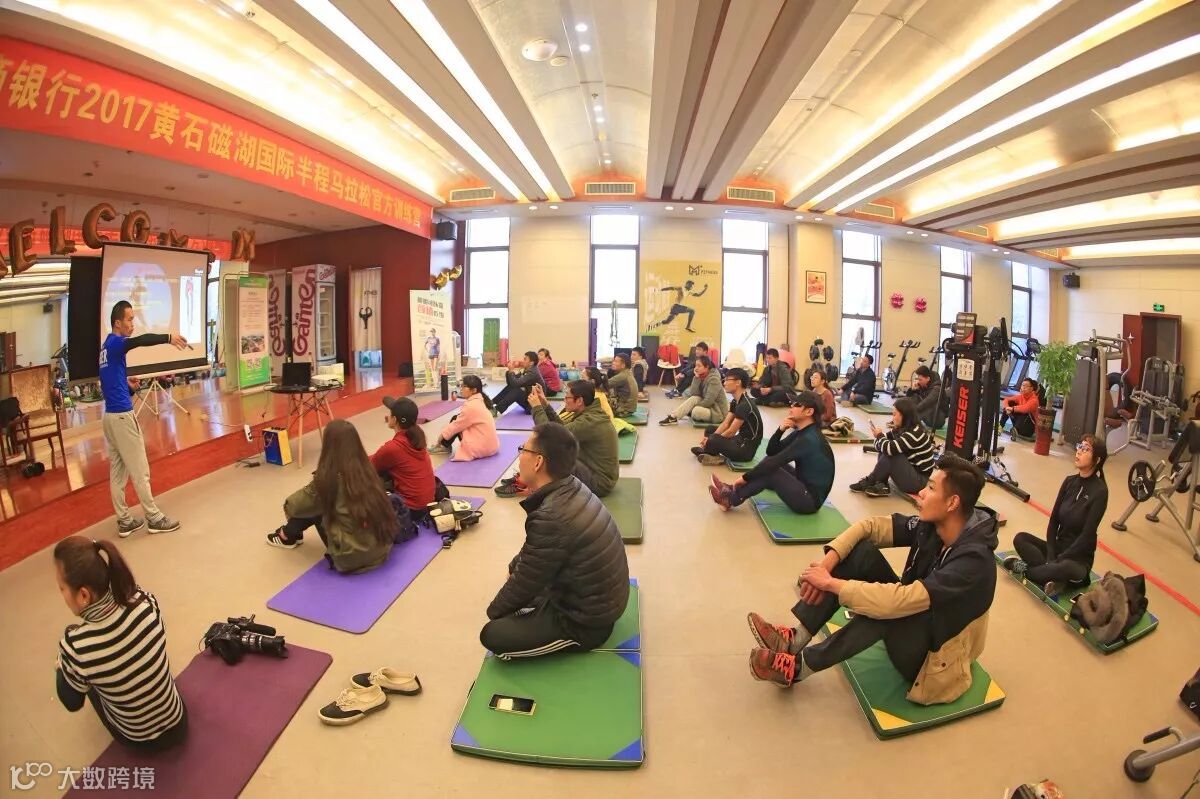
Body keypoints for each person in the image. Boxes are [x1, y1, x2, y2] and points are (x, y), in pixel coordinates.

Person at [745, 454, 998, 703]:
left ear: (952, 503)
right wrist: (827, 563)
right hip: (920, 618)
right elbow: (870, 527)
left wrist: (830, 584)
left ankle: (797, 668)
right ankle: (795, 639)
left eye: (931, 488)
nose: (921, 492)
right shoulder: (936, 525)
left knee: (887, 610)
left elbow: (899, 602)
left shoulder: (973, 562)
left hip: (936, 663)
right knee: (861, 552)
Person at [480, 423, 630, 659]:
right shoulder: (571, 485)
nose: (519, 457)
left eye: (523, 450)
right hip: (593, 597)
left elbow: (526, 581)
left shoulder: (552, 515)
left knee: (492, 636)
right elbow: (538, 553)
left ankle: (569, 636)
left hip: (586, 623)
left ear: (538, 462)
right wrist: (514, 567)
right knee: (516, 583)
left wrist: (494, 613)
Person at [54, 536, 188, 750]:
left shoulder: (75, 646)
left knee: (82, 676)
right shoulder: (145, 601)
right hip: (178, 721)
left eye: (61, 588)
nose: (61, 594)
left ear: (83, 595)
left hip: (138, 740)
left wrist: (62, 662)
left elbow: (72, 703)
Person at [101, 300, 187, 537]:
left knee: (118, 472)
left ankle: (124, 520)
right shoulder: (117, 343)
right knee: (140, 470)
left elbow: (109, 383)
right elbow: (140, 341)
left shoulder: (106, 347)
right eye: (129, 319)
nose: (133, 324)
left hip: (110, 417)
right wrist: (168, 338)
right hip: (122, 417)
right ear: (117, 323)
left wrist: (126, 386)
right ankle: (154, 518)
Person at [268, 418, 401, 573]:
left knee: (315, 505)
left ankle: (287, 534)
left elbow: (292, 506)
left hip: (351, 558)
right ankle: (289, 533)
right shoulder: (368, 469)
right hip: (382, 548)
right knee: (320, 502)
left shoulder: (328, 479)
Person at [1003, 434, 1108, 595]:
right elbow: (1053, 522)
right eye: (1080, 446)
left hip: (1077, 559)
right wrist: (1051, 555)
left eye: (1086, 449)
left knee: (1064, 567)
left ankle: (1025, 569)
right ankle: (1052, 576)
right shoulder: (1069, 481)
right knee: (1021, 538)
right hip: (1058, 549)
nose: (1079, 451)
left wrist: (1059, 560)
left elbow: (1087, 535)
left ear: (1097, 460)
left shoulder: (1100, 491)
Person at [709, 391, 835, 515]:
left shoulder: (809, 439)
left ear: (809, 412)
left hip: (809, 502)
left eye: (797, 404)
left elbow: (775, 461)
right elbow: (771, 452)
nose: (791, 406)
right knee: (769, 463)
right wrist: (780, 430)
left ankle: (730, 499)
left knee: (772, 469)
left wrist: (745, 478)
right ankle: (731, 490)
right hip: (803, 484)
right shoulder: (802, 433)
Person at [499, 382, 619, 499]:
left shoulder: (589, 421)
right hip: (596, 474)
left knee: (549, 451)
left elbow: (549, 436)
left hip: (599, 483)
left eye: (567, 397)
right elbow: (561, 431)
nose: (564, 400)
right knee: (555, 448)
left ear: (579, 401)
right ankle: (524, 478)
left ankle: (526, 482)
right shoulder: (590, 414)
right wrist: (545, 404)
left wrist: (536, 408)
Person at [851, 397, 937, 498]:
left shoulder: (915, 433)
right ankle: (882, 484)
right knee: (887, 447)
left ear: (904, 416)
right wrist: (880, 438)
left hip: (918, 481)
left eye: (894, 414)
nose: (892, 418)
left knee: (891, 452)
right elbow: (879, 445)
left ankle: (871, 480)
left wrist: (879, 436)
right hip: (909, 471)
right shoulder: (901, 429)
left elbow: (888, 447)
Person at [366, 396, 438, 513]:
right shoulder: (417, 439)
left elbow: (369, 466)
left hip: (410, 509)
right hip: (428, 504)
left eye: (390, 413)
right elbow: (379, 456)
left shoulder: (393, 447)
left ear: (394, 419)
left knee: (368, 477)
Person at [692, 368, 763, 465]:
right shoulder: (735, 401)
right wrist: (711, 438)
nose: (724, 383)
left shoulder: (745, 404)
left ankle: (712, 453)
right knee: (710, 430)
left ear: (738, 382)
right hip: (738, 440)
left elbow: (731, 432)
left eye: (727, 380)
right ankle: (710, 453)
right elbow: (725, 424)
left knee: (713, 438)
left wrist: (711, 440)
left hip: (745, 450)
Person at [429, 375, 500, 460]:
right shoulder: (479, 400)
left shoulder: (471, 406)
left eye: (464, 386)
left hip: (482, 448)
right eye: (461, 385)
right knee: (457, 418)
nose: (461, 389)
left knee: (456, 421)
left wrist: (441, 437)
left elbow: (457, 425)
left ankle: (443, 446)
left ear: (474, 390)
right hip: (491, 446)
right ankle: (445, 445)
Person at [659, 356, 728, 425]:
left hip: (718, 412)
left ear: (706, 367)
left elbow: (708, 401)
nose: (696, 368)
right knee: (694, 398)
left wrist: (692, 407)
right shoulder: (701, 376)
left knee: (696, 412)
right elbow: (694, 394)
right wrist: (696, 377)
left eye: (699, 366)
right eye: (695, 366)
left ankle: (687, 412)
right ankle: (673, 417)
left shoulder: (714, 379)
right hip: (710, 407)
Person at [492, 351, 547, 415]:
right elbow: (511, 383)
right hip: (531, 400)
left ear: (531, 363)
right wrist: (509, 371)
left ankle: (496, 409)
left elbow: (515, 383)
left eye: (525, 359)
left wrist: (511, 371)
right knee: (512, 387)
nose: (522, 361)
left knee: (517, 391)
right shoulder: (527, 369)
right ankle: (491, 403)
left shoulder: (532, 373)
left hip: (535, 407)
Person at [906, 365, 945, 430]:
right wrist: (912, 390)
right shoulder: (923, 385)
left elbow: (927, 402)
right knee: (914, 397)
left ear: (928, 379)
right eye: (918, 379)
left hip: (938, 419)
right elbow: (908, 398)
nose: (918, 381)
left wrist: (912, 412)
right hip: (928, 416)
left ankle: (908, 421)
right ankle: (906, 421)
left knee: (926, 404)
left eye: (920, 380)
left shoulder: (937, 388)